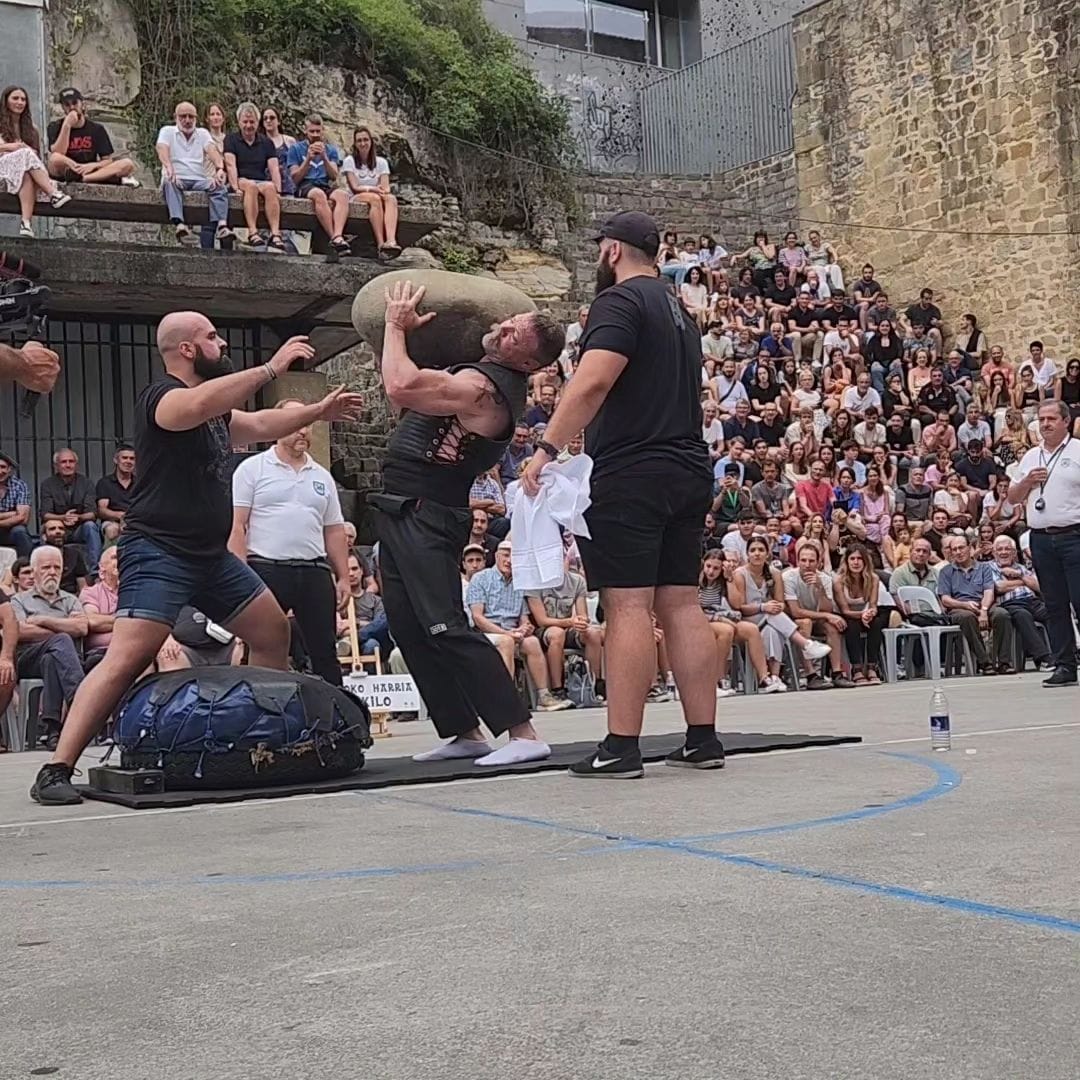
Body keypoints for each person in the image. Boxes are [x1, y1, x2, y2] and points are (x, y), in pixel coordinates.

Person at [29, 315, 362, 805]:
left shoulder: (215, 416)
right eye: (211, 336)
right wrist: (269, 369)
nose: (221, 340)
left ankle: (264, 744)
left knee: (272, 632)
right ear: (185, 349)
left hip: (210, 556)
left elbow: (262, 423)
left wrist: (317, 409)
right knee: (127, 658)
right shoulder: (161, 397)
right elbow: (198, 403)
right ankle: (56, 769)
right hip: (159, 548)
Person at [521, 211, 725, 778]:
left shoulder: (619, 303)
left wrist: (545, 449)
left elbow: (592, 381)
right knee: (681, 602)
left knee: (627, 603)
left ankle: (621, 744)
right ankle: (703, 738)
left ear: (611, 251)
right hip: (688, 463)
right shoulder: (680, 311)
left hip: (634, 468)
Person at [373, 279, 565, 766]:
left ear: (526, 363)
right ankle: (462, 729)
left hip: (429, 512)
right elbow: (405, 395)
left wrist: (394, 326)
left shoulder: (485, 388)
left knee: (445, 624)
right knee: (409, 628)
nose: (500, 329)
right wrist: (408, 339)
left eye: (511, 334)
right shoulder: (475, 372)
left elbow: (401, 385)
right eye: (506, 325)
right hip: (400, 507)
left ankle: (523, 732)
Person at [229, 400, 351, 686]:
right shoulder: (252, 469)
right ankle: (256, 712)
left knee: (324, 651)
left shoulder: (323, 476)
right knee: (260, 644)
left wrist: (343, 575)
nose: (302, 431)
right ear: (277, 426)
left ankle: (337, 719)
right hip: (266, 567)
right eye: (294, 423)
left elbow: (333, 529)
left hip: (314, 570)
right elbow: (236, 524)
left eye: (307, 424)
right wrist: (240, 572)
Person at [1008, 400, 1080, 688]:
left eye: (1051, 418)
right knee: (1054, 604)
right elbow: (1013, 497)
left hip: (1074, 535)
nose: (1045, 424)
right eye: (1041, 419)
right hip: (1041, 538)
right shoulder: (1030, 456)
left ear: (1066, 421)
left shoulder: (1077, 451)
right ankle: (1065, 665)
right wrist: (1027, 482)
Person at [12, 545, 88, 749]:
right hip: (28, 658)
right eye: (46, 567)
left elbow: (81, 627)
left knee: (52, 659)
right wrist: (64, 627)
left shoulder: (70, 599)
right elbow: (20, 631)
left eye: (57, 567)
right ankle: (81, 700)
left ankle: (52, 731)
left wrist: (42, 620)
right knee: (62, 640)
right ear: (34, 570)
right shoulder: (19, 600)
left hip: (58, 660)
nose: (52, 572)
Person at [156, 101, 233, 248]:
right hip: (176, 176)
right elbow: (162, 148)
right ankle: (179, 224)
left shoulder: (202, 133)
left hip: (198, 178)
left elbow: (212, 150)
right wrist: (169, 167)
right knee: (169, 182)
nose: (187, 120)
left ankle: (222, 225)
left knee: (219, 186)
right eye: (183, 116)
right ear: (175, 117)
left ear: (196, 118)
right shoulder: (167, 131)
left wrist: (219, 169)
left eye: (191, 116)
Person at [936, 533, 1014, 675]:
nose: (958, 552)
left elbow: (989, 591)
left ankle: (1004, 662)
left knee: (1002, 614)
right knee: (967, 617)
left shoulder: (984, 568)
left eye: (961, 548)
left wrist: (984, 611)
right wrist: (964, 605)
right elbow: (945, 599)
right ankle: (985, 663)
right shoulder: (946, 572)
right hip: (959, 607)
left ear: (970, 548)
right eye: (954, 550)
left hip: (983, 604)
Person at [0, 84, 72, 238]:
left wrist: (25, 149)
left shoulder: (32, 129)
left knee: (26, 173)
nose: (20, 102)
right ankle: (53, 193)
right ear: (6, 101)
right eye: (15, 98)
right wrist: (11, 147)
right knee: (24, 153)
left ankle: (26, 223)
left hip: (21, 169)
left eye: (23, 99)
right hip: (2, 167)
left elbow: (36, 159)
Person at [224, 102, 286, 252]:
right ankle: (253, 232)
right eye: (245, 122)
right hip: (242, 179)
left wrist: (278, 189)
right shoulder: (231, 140)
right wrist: (235, 187)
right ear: (239, 122)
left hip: (260, 180)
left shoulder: (266, 142)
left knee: (270, 188)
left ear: (257, 123)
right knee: (250, 186)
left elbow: (273, 167)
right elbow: (230, 165)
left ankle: (275, 234)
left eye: (252, 122)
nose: (248, 126)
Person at [46, 87, 138, 186]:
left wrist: (92, 166)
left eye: (74, 103)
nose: (72, 107)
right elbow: (58, 154)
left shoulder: (97, 129)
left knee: (127, 164)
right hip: (67, 169)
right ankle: (81, 176)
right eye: (67, 105)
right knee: (54, 158)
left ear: (82, 104)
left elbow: (107, 160)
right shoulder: (55, 126)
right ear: (63, 108)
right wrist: (67, 126)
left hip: (91, 170)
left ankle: (84, 179)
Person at [288, 113, 351, 256]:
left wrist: (324, 157)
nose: (315, 135)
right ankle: (334, 237)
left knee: (342, 195)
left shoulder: (331, 150)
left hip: (325, 184)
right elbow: (295, 178)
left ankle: (338, 234)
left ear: (323, 130)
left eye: (318, 131)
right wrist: (308, 159)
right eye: (312, 131)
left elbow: (334, 175)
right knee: (318, 194)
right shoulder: (296, 149)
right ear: (305, 131)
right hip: (305, 185)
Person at [990, 535, 1050, 670]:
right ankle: (1043, 659)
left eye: (1007, 549)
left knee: (1052, 612)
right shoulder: (988, 568)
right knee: (1023, 616)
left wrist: (1019, 575)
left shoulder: (1021, 568)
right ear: (994, 553)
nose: (1004, 552)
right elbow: (999, 587)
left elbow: (1038, 587)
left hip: (1032, 601)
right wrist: (1025, 582)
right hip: (1011, 603)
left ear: (1014, 553)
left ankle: (1063, 655)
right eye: (1000, 549)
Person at [39, 448, 102, 573]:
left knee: (91, 526)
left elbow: (93, 514)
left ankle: (95, 571)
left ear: (76, 464)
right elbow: (45, 514)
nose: (68, 465)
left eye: (71, 461)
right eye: (63, 462)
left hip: (79, 528)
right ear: (56, 465)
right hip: (58, 527)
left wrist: (78, 517)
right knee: (46, 528)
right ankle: (44, 568)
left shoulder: (87, 483)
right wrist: (63, 518)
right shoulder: (47, 484)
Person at [342, 126, 401, 258]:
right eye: (359, 141)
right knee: (374, 199)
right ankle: (380, 244)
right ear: (355, 144)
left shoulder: (381, 162)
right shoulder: (349, 161)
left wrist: (381, 191)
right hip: (356, 197)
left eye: (365, 140)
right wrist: (373, 189)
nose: (363, 143)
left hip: (377, 194)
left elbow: (385, 188)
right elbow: (354, 187)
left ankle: (391, 241)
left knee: (391, 198)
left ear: (371, 142)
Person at [0, 451, 33, 558]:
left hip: (11, 531)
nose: (0, 471)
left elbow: (23, 518)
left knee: (20, 531)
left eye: (3, 467)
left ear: (9, 469)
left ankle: (25, 566)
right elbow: (18, 515)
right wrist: (12, 513)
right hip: (10, 523)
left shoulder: (19, 485)